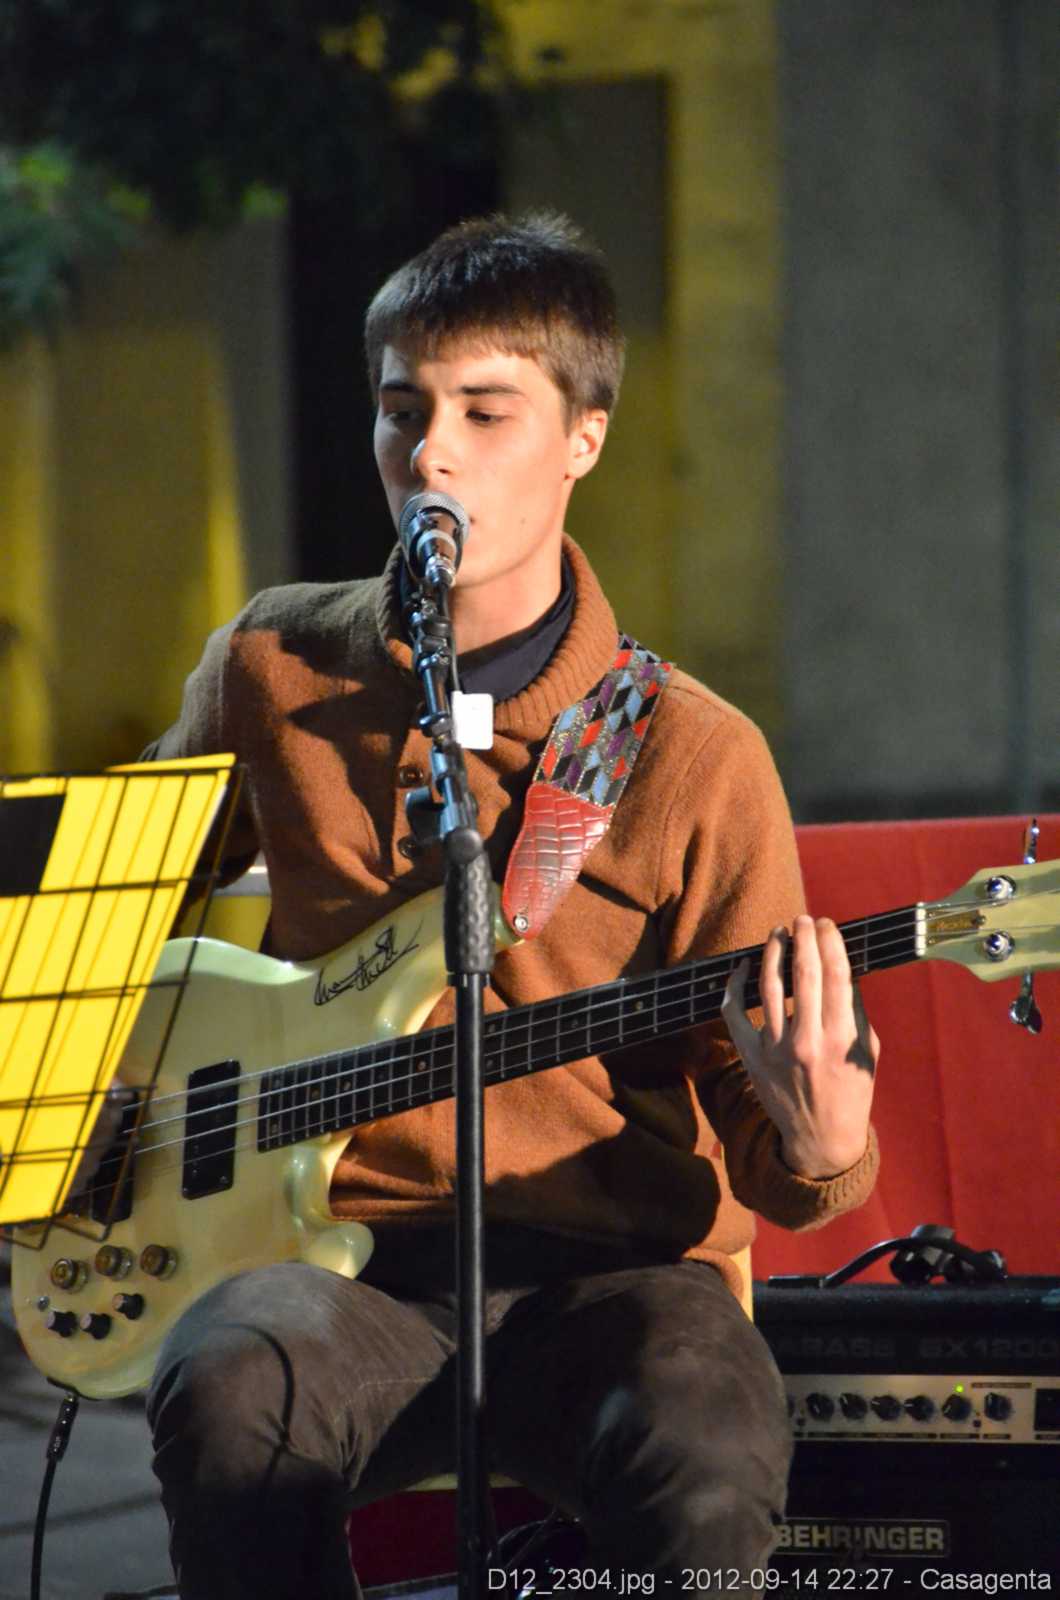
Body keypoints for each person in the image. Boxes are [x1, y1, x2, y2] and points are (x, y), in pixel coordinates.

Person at [143, 212, 879, 1598]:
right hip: (339, 1269)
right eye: (402, 409)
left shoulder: (696, 752)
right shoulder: (269, 669)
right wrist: (101, 1132)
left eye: (486, 412)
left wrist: (823, 1136)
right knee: (229, 1384)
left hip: (613, 1280)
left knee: (706, 1433)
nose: (432, 453)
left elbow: (784, 1154)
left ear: (583, 438)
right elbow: (99, 923)